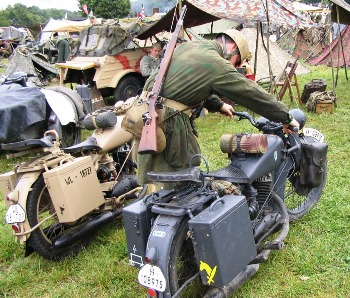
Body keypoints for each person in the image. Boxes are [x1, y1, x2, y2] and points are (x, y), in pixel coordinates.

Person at [131, 29, 299, 185]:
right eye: (237, 62)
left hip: (145, 112)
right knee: (182, 175)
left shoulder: (191, 47)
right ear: (233, 47)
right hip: (169, 120)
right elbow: (249, 92)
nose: (234, 67)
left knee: (153, 170)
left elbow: (191, 83)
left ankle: (152, 205)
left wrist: (218, 105)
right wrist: (285, 116)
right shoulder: (216, 62)